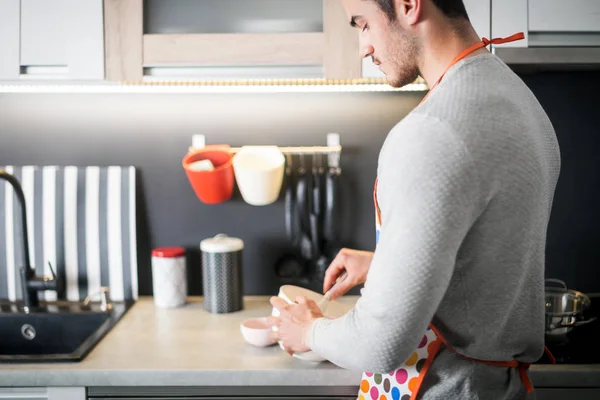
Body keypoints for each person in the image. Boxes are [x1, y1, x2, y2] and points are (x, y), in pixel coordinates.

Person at [267, 0, 561, 399]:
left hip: (444, 389)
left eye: (364, 24)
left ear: (408, 5)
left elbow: (380, 344)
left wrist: (309, 330)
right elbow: (490, 256)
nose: (362, 47)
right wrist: (389, 264)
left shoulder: (431, 132)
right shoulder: (522, 102)